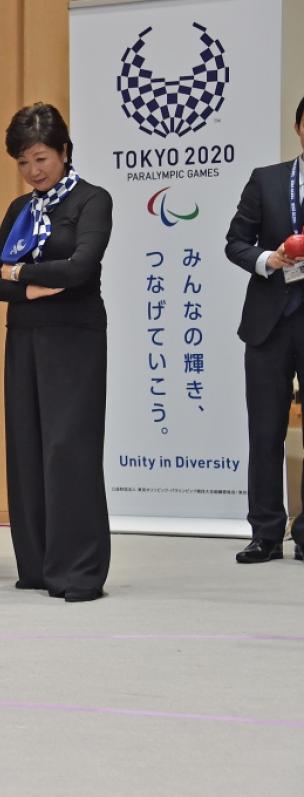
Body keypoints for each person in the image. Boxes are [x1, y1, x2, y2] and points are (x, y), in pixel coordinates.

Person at [0, 102, 113, 602]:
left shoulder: (92, 201)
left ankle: (78, 571)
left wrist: (22, 275)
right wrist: (31, 285)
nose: (33, 171)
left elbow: (80, 269)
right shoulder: (19, 210)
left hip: (74, 339)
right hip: (25, 337)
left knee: (68, 449)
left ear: (64, 152)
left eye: (41, 159)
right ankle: (37, 565)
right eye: (23, 162)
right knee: (29, 447)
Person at [224, 96, 304, 564]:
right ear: (298, 126)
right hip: (268, 324)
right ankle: (266, 534)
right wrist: (267, 260)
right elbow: (235, 241)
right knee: (265, 432)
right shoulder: (267, 180)